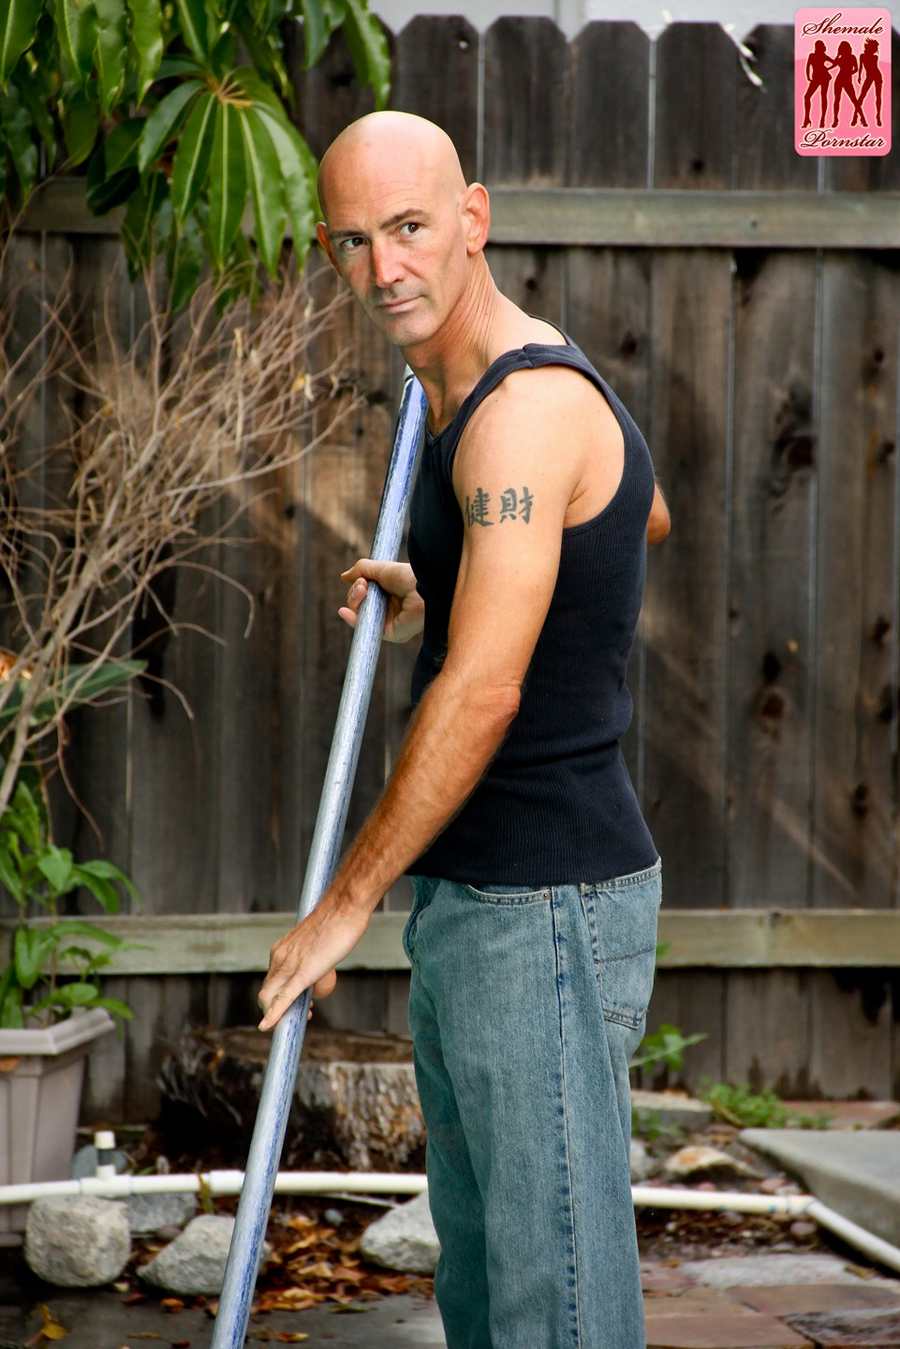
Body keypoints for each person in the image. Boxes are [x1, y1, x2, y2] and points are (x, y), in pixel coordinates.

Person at [257, 109, 671, 1348]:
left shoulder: (520, 410)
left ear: (474, 218)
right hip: (482, 897)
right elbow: (637, 516)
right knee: (488, 1294)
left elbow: (486, 692)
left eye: (410, 227)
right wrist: (454, 584)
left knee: (557, 1308)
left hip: (541, 904)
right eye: (353, 240)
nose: (384, 267)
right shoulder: (468, 394)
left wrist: (346, 903)